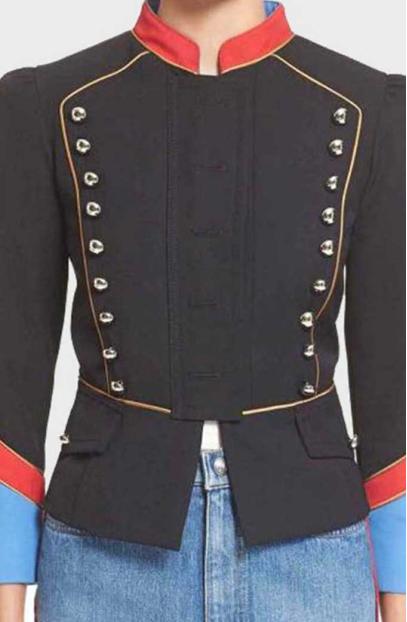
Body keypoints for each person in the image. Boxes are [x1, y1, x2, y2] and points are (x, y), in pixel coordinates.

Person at [0, 1, 405, 620]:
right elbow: (12, 370)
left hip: (313, 557)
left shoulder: (367, 108)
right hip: (102, 555)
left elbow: (393, 378)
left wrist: (398, 585)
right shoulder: (47, 104)